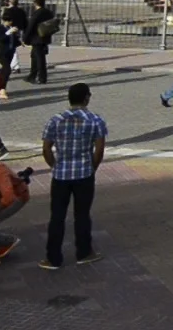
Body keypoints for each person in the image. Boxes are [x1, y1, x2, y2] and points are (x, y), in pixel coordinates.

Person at [40, 82, 107, 269]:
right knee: (82, 215)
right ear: (86, 98)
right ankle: (84, 252)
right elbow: (99, 149)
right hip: (84, 173)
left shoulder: (55, 119)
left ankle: (53, 258)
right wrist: (92, 167)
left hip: (60, 175)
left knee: (57, 216)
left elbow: (46, 148)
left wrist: (54, 165)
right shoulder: (95, 120)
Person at [27, 0, 55, 84]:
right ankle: (32, 75)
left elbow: (30, 26)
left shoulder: (37, 14)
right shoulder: (48, 12)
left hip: (36, 38)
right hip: (45, 37)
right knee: (34, 56)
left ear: (36, 4)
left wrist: (25, 37)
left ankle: (42, 77)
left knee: (39, 58)